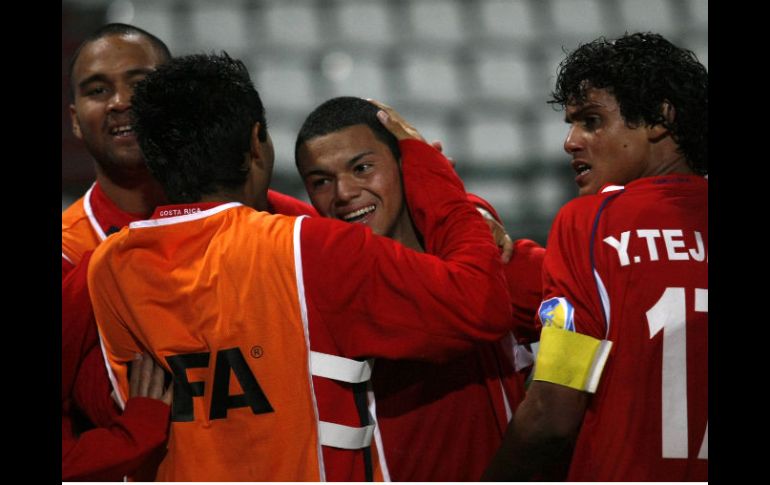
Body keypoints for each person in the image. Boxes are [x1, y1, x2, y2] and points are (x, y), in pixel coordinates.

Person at [87, 52, 514, 481]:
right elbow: (479, 303)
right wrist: (435, 177)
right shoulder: (309, 248)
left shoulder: (106, 266)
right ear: (256, 143)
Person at [61, 23, 317, 480]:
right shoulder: (69, 255)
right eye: (98, 90)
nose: (120, 101)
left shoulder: (281, 223)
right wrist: (131, 437)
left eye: (139, 83)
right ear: (76, 120)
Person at [483, 32, 708, 481]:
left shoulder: (591, 222)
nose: (570, 141)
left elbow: (552, 415)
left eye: (591, 120)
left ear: (660, 119)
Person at [294, 96, 544, 481]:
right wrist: (458, 199)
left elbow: (602, 310)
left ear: (405, 166)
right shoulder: (334, 286)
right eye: (321, 182)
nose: (343, 193)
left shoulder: (499, 262)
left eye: (362, 168)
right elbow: (252, 219)